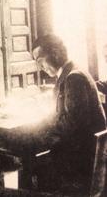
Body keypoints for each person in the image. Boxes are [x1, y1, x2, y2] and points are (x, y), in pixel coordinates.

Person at [32, 34, 106, 194]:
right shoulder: (71, 72)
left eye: (39, 60)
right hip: (84, 149)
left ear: (55, 53)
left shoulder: (74, 78)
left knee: (35, 157)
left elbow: (73, 125)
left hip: (84, 156)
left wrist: (43, 131)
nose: (39, 67)